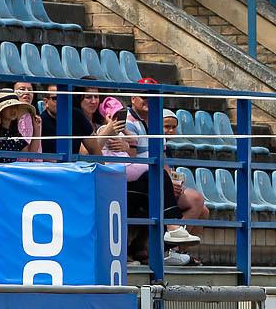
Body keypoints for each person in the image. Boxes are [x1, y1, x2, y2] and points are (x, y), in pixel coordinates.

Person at [81, 94, 207, 258]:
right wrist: (108, 131)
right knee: (157, 176)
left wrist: (125, 142)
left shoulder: (124, 132)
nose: (93, 100)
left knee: (164, 183)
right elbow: (86, 153)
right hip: (110, 180)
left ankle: (169, 240)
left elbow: (131, 147)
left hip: (125, 177)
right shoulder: (99, 129)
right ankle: (165, 243)